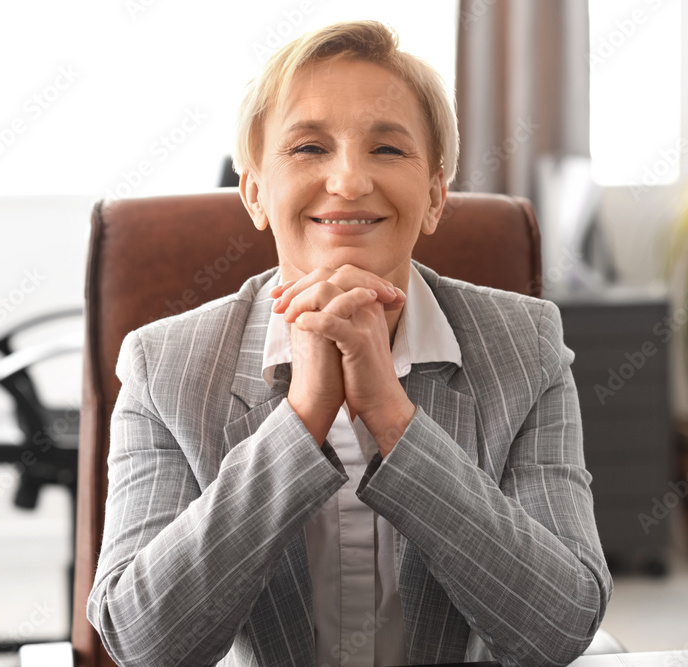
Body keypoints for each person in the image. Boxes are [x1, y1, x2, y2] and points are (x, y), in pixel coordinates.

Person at [87, 20, 612, 667]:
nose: (349, 181)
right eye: (309, 147)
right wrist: (301, 419)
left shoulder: (525, 347)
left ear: (435, 195)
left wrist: (395, 421)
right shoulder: (163, 365)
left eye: (387, 150)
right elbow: (144, 641)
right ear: (254, 191)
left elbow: (558, 627)